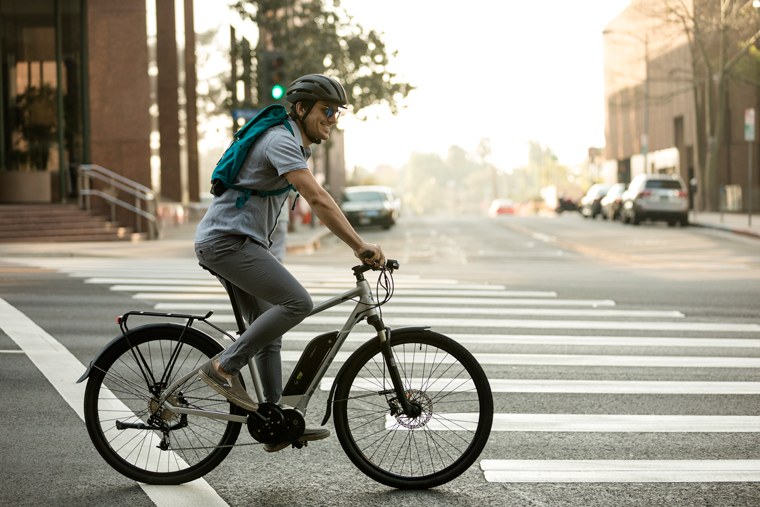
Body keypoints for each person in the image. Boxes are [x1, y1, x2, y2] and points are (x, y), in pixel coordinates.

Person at [194, 74, 385, 452]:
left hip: (238, 243)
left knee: (268, 333)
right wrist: (359, 245)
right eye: (326, 110)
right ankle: (221, 368)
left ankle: (274, 420)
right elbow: (316, 196)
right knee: (298, 303)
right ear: (301, 109)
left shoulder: (293, 142)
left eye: (336, 113)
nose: (332, 118)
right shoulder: (281, 139)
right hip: (227, 243)